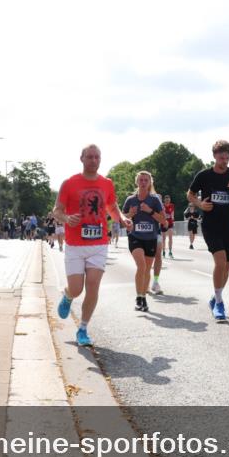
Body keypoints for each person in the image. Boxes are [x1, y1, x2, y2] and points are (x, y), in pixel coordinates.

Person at [53, 144, 131, 347]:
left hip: (98, 243)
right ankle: (68, 294)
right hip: (75, 244)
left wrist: (122, 219)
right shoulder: (69, 183)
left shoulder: (106, 183)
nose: (94, 160)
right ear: (81, 158)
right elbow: (57, 210)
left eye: (97, 157)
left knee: (93, 285)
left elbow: (111, 207)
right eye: (90, 157)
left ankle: (83, 328)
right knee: (77, 289)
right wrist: (67, 218)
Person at [187, 140, 229, 322]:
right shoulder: (205, 175)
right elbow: (189, 193)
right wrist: (199, 204)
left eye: (227, 157)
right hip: (211, 225)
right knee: (220, 262)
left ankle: (215, 297)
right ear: (214, 156)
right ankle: (220, 304)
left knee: (226, 268)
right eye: (222, 157)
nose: (225, 160)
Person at [123, 171, 165, 311]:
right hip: (135, 237)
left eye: (146, 180)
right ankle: (138, 297)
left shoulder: (154, 200)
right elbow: (122, 220)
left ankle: (143, 297)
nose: (143, 182)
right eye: (141, 180)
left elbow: (163, 220)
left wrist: (150, 211)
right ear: (137, 182)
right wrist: (130, 214)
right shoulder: (130, 200)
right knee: (141, 266)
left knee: (146, 269)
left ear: (150, 182)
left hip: (151, 238)